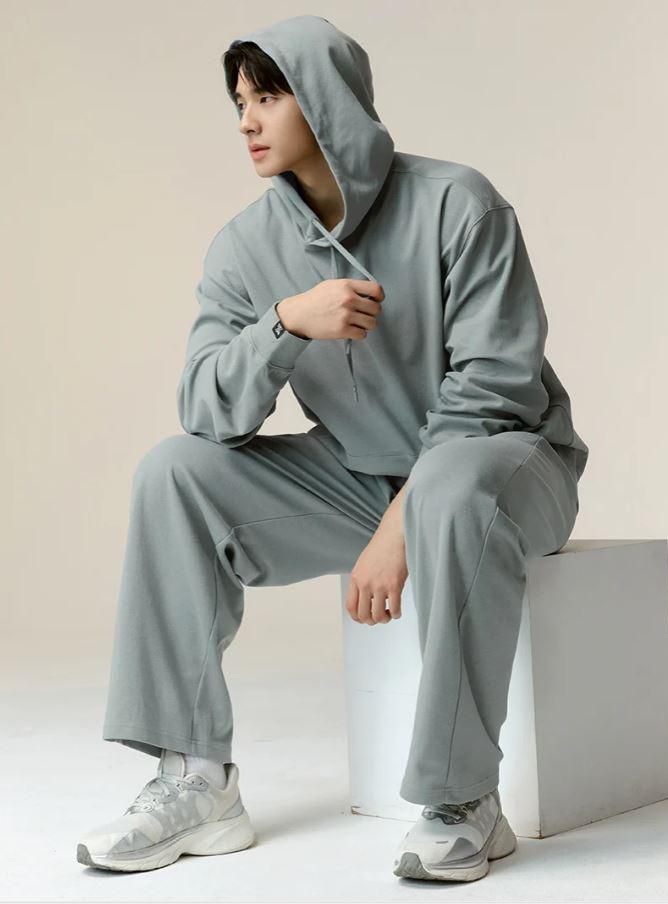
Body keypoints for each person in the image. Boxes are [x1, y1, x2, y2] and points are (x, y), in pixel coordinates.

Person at [77, 14, 589, 882]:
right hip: (355, 478)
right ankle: (197, 778)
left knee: (451, 483)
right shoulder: (245, 247)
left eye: (267, 97)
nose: (247, 120)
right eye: (239, 102)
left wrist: (400, 527)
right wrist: (284, 325)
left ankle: (463, 799)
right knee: (172, 473)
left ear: (326, 100)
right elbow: (205, 409)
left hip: (506, 469)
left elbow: (497, 388)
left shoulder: (458, 203)